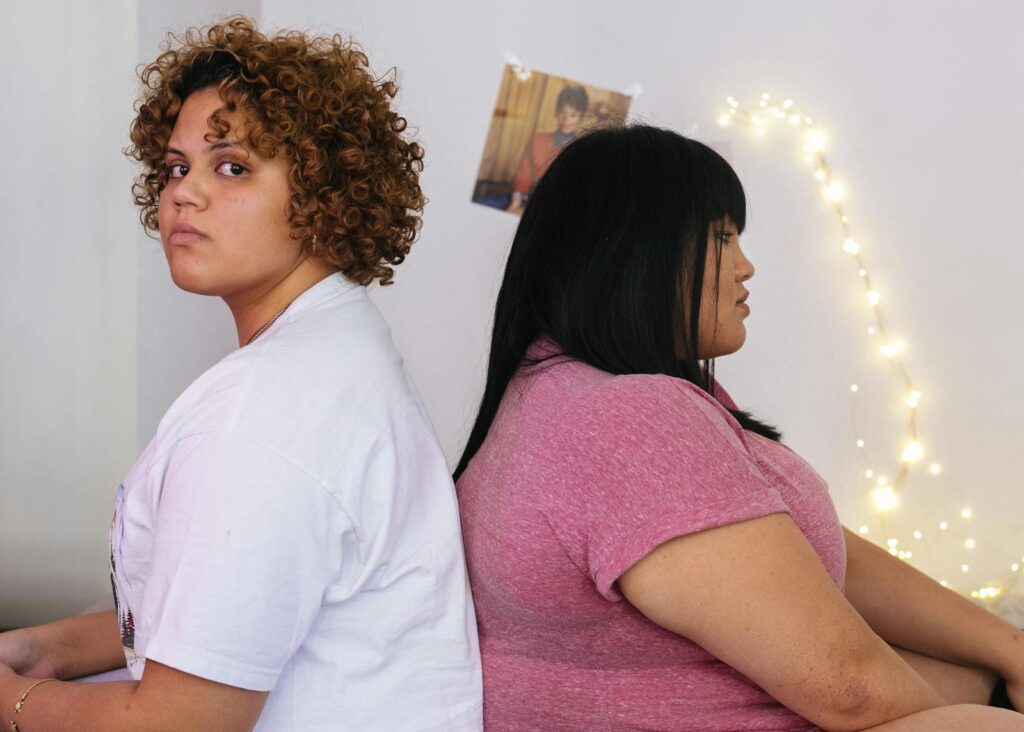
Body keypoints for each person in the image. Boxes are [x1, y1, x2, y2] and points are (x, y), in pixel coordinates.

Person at [454, 124, 1024, 730]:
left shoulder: (562, 389)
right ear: (637, 250)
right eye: (722, 238)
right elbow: (848, 687)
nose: (746, 266)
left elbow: (804, 552)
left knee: (978, 679)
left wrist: (1006, 648)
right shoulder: (624, 422)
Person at [0, 17, 481, 731]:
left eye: (231, 166)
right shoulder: (334, 350)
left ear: (324, 191)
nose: (183, 194)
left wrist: (14, 702)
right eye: (174, 167)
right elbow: (230, 610)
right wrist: (45, 651)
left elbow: (175, 723)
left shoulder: (267, 412)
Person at [505, 84, 588, 215]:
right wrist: (515, 204)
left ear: (581, 118)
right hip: (527, 200)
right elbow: (523, 174)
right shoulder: (537, 139)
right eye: (562, 113)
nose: (566, 119)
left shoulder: (584, 150)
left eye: (573, 115)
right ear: (556, 112)